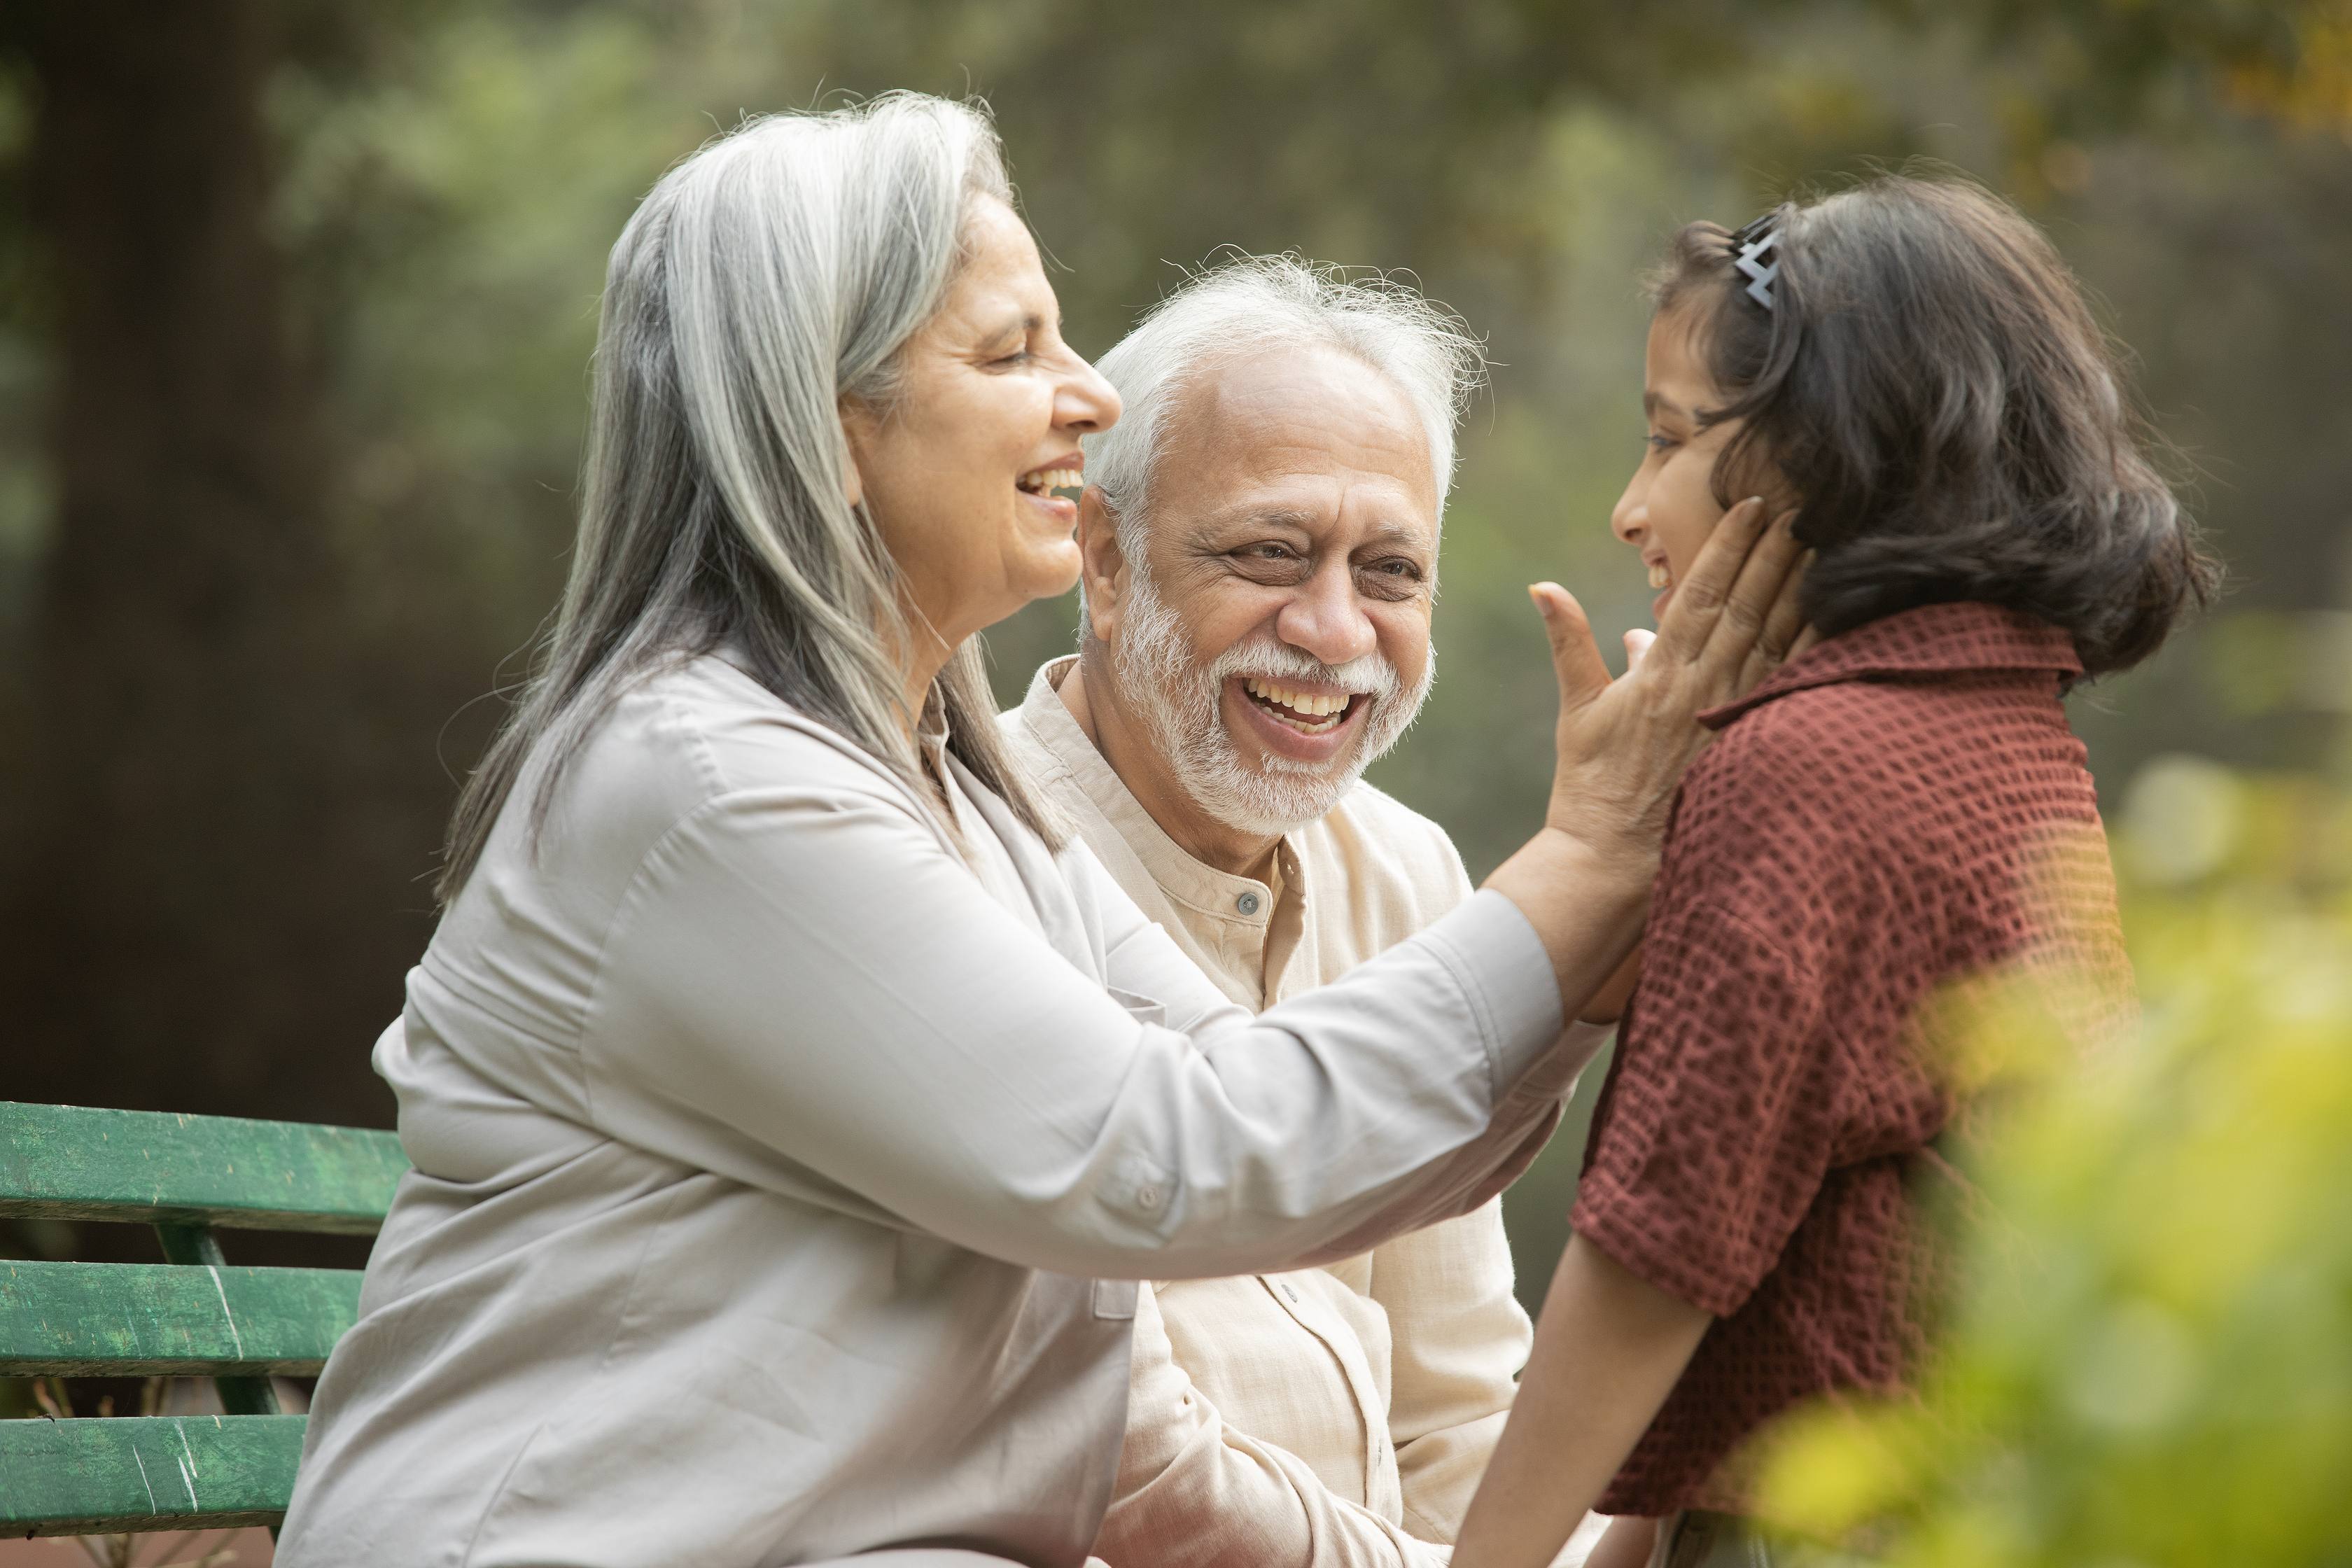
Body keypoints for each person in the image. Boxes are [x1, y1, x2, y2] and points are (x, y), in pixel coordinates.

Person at [274, 94, 1807, 1568]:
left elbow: (1260, 1104)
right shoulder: (712, 791)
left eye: (1388, 569)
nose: (1088, 396)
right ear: (831, 422)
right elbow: (1168, 1158)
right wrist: (1593, 856)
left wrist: (1595, 919)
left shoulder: (936, 780)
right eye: (1014, 350)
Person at [1450, 175, 2218, 1568]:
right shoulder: (2011, 733)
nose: (1630, 509)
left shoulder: (1813, 765)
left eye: (1672, 444)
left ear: (1832, 452)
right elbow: (1805, 1246)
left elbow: (1655, 1255)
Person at [1004, 257, 1622, 1565]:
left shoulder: (1407, 872)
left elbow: (1459, 1417)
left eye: (1390, 570)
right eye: (1272, 552)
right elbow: (1132, 1480)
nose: (1335, 632)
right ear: (1104, 564)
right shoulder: (961, 866)